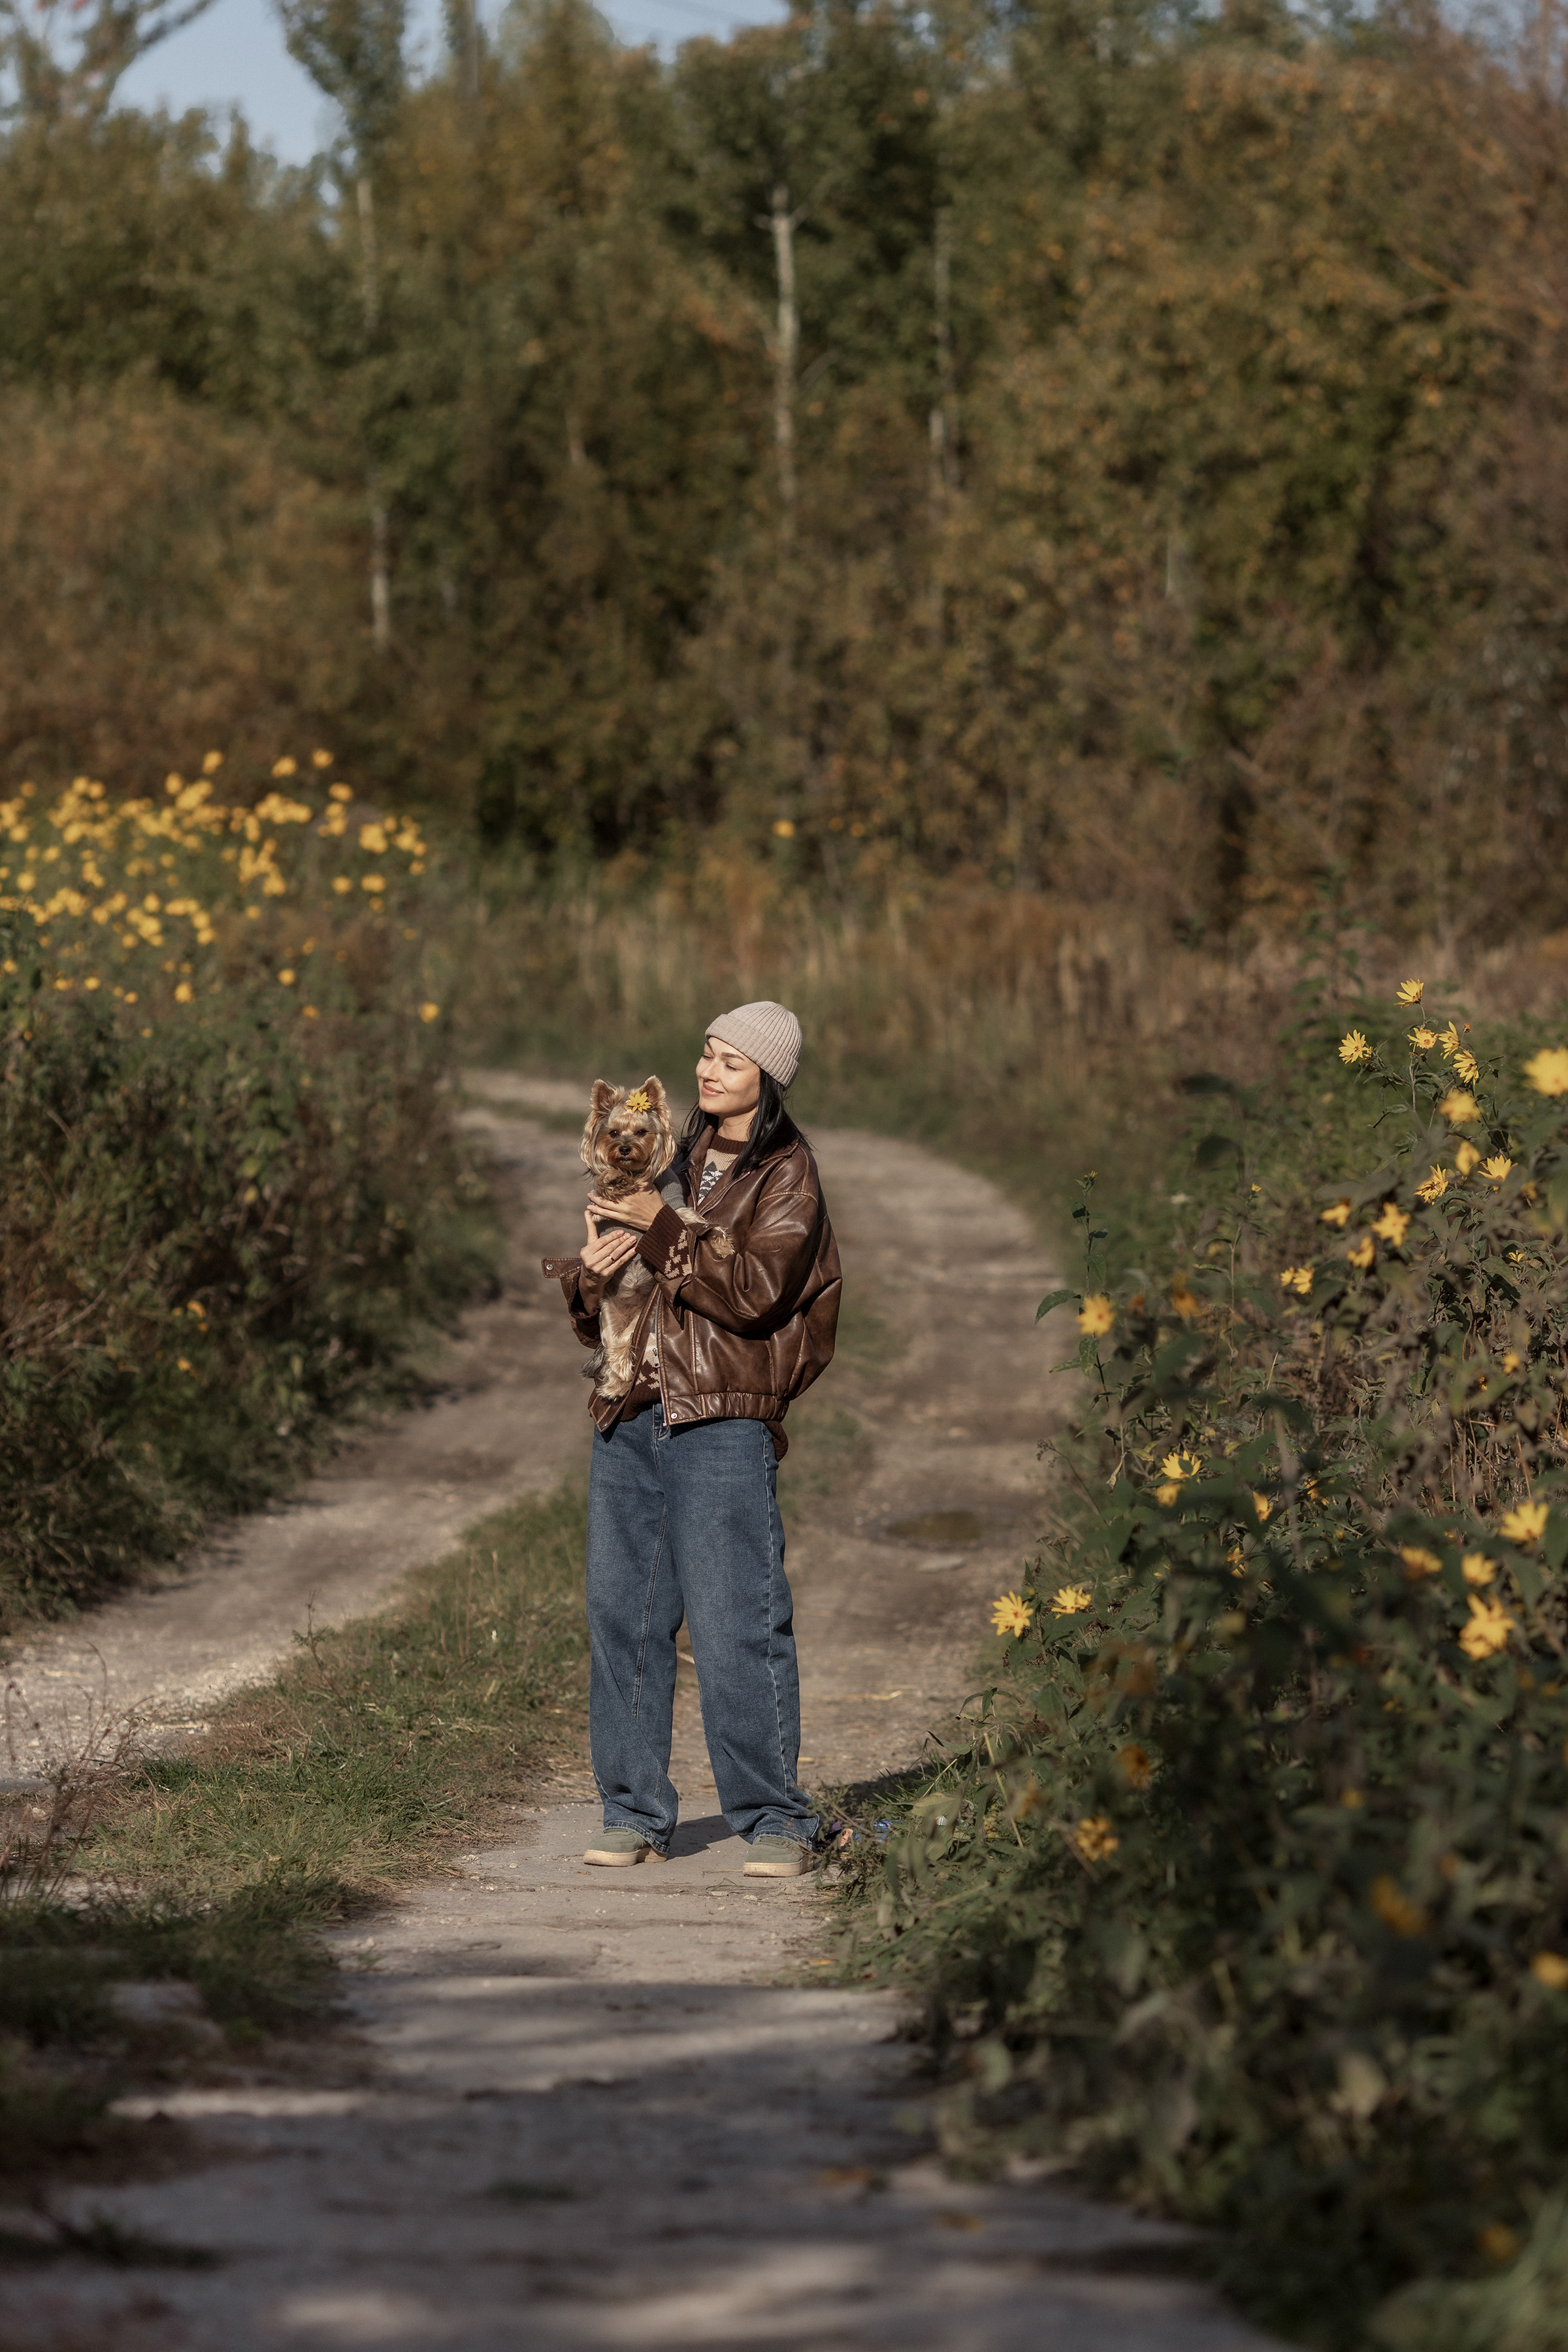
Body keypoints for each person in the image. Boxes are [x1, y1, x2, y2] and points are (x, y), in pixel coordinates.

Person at [551, 1002, 840, 1878]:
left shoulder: (786, 1176)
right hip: (630, 1412)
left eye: (732, 1061)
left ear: (768, 1079)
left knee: (734, 1623)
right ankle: (632, 1812)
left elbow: (753, 1294)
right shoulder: (665, 1161)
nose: (710, 1071)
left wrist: (659, 1225)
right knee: (623, 1619)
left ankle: (776, 1820)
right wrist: (587, 1281)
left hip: (722, 1417)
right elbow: (612, 1311)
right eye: (707, 1055)